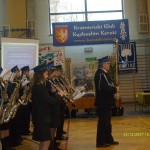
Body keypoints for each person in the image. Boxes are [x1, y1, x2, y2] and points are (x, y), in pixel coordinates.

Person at [31, 64, 64, 150]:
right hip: (41, 118)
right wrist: (60, 95)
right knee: (46, 141)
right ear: (40, 74)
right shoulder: (40, 87)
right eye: (45, 72)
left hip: (41, 117)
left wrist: (52, 92)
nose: (47, 73)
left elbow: (45, 98)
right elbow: (50, 101)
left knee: (44, 141)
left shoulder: (39, 86)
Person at [94, 56, 119, 148]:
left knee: (107, 123)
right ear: (103, 64)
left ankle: (108, 139)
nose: (109, 65)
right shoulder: (100, 74)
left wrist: (113, 89)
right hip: (103, 102)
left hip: (106, 102)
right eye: (107, 63)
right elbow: (103, 87)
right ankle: (101, 142)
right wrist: (114, 89)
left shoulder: (103, 74)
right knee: (103, 123)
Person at [19, 65, 32, 135]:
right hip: (22, 99)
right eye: (28, 71)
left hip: (27, 99)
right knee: (23, 116)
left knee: (27, 116)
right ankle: (23, 130)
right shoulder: (21, 78)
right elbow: (20, 89)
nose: (29, 72)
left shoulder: (28, 78)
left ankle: (26, 129)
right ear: (24, 71)